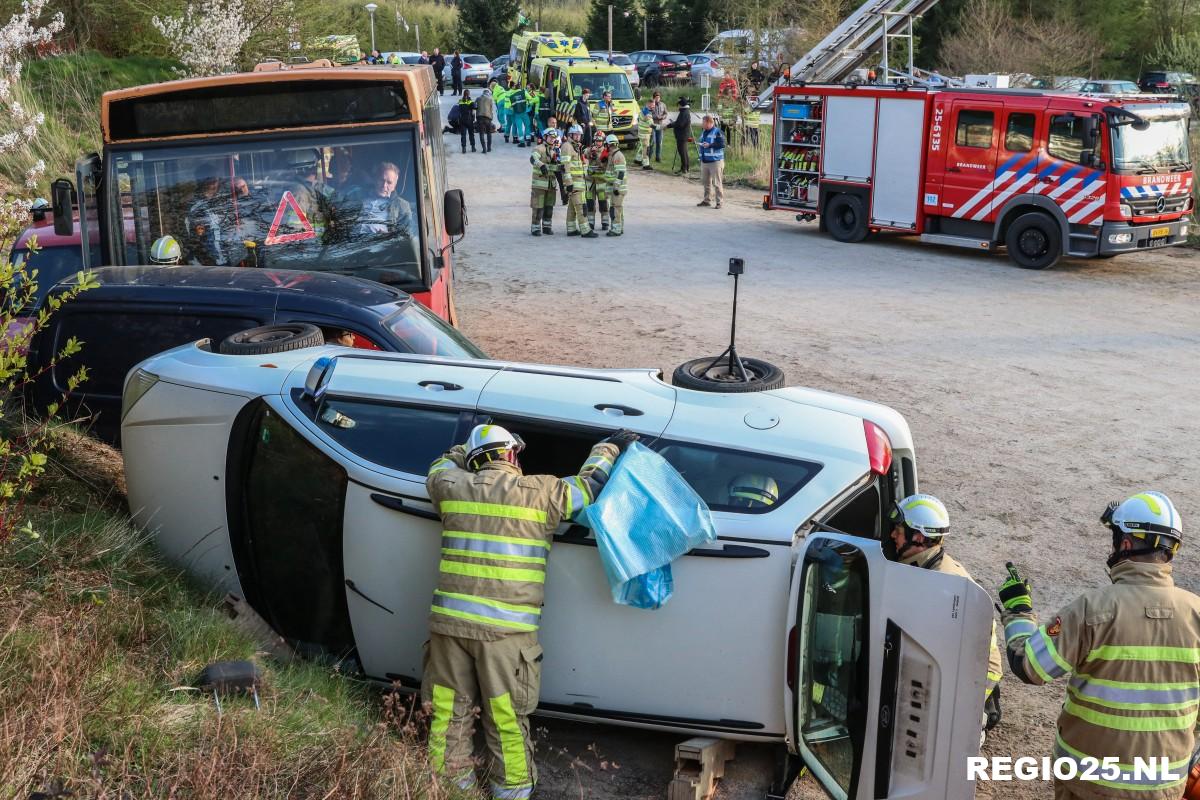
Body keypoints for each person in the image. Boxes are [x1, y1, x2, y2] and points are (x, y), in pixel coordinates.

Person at [422, 424, 637, 799]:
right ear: (510, 455)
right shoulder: (543, 492)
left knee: (447, 714)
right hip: (507, 636)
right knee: (505, 716)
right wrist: (608, 448)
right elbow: (590, 488)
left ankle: (449, 789)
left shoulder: (450, 487)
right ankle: (513, 791)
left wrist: (466, 447)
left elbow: (439, 465)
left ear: (474, 461)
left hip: (450, 629)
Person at [1000, 492, 1199, 800]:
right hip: (1163, 787)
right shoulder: (1197, 614)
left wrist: (1018, 611)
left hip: (1088, 784)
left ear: (1127, 544)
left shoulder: (1093, 609)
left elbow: (1029, 666)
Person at [889, 494, 1003, 737]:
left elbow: (990, 666)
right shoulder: (922, 568)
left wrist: (957, 706)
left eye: (898, 530)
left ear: (918, 537)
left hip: (961, 697)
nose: (892, 536)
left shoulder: (947, 586)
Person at [352, 161, 414, 238]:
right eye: (381, 180)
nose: (384, 185)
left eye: (389, 182)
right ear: (375, 179)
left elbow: (406, 236)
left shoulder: (402, 205)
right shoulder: (358, 195)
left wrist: (388, 237)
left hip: (378, 245)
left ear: (395, 185)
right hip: (351, 243)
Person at [185, 165, 228, 264]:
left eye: (216, 180)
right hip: (209, 263)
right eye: (211, 181)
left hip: (228, 258)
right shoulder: (195, 207)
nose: (215, 184)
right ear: (202, 183)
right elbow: (197, 240)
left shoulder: (223, 200)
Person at [563, 125, 597, 238]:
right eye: (575, 134)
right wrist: (568, 184)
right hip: (573, 183)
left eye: (579, 135)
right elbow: (565, 166)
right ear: (570, 135)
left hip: (578, 183)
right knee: (581, 206)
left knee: (572, 207)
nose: (578, 136)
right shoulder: (567, 146)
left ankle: (571, 228)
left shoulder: (575, 147)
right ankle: (585, 230)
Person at [529, 128, 563, 236]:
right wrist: (541, 165)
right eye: (550, 137)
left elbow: (556, 168)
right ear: (545, 137)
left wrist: (560, 167)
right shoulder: (539, 148)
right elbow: (533, 159)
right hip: (539, 184)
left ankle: (547, 227)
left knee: (549, 207)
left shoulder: (556, 151)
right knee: (538, 207)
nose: (552, 139)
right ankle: (535, 228)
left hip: (551, 184)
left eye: (554, 138)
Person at [697, 114, 726, 209]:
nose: (702, 124)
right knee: (706, 182)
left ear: (710, 123)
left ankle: (719, 202)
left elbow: (722, 144)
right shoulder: (704, 132)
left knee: (717, 183)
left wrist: (709, 145)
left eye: (703, 122)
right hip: (705, 161)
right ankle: (706, 200)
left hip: (715, 161)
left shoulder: (718, 132)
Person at [602, 133, 626, 237]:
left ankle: (616, 229)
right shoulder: (613, 155)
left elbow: (620, 173)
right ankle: (619, 227)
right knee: (618, 207)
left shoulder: (618, 156)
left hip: (618, 188)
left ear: (608, 145)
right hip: (615, 187)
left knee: (615, 208)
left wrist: (616, 187)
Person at [584, 136, 609, 232]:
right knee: (590, 202)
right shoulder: (590, 149)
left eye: (600, 141)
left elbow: (604, 165)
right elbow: (584, 154)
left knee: (603, 203)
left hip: (601, 181)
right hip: (590, 181)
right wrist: (591, 152)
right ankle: (591, 222)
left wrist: (597, 158)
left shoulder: (606, 152)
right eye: (596, 141)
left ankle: (605, 222)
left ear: (603, 142)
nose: (598, 143)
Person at [670, 97, 692, 173]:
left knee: (682, 152)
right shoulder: (684, 111)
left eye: (678, 104)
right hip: (682, 135)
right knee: (684, 152)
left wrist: (671, 125)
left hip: (682, 135)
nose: (678, 106)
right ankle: (685, 167)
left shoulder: (684, 112)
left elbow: (680, 124)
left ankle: (684, 169)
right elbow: (680, 122)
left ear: (681, 105)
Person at [475, 84, 495, 154]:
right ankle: (489, 148)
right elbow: (491, 109)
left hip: (479, 118)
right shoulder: (490, 99)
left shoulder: (478, 98)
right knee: (489, 133)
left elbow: (475, 107)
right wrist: (491, 117)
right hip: (488, 118)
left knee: (481, 133)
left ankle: (484, 149)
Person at [648, 91, 667, 162]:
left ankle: (658, 157)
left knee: (659, 142)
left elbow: (666, 113)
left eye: (658, 97)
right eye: (656, 97)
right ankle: (649, 157)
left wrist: (663, 117)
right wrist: (656, 117)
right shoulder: (651, 105)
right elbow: (648, 114)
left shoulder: (663, 105)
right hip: (653, 126)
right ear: (653, 98)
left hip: (660, 125)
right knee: (652, 142)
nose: (657, 99)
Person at [457, 89, 477, 153]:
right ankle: (473, 148)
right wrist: (473, 118)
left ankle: (464, 148)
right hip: (469, 120)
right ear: (469, 94)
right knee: (471, 134)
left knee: (463, 135)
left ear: (463, 94)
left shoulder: (460, 101)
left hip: (462, 120)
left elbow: (459, 110)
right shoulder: (471, 102)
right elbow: (474, 111)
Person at [635, 104, 653, 170]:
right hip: (645, 134)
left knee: (642, 146)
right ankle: (646, 164)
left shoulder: (642, 111)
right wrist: (661, 127)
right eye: (652, 106)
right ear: (649, 105)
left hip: (641, 132)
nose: (653, 107)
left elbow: (638, 120)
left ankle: (637, 159)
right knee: (646, 149)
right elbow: (651, 124)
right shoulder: (647, 113)